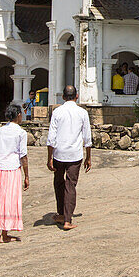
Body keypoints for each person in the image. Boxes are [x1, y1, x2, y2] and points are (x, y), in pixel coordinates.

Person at [46, 85, 92, 230]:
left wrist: (49, 157)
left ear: (63, 97)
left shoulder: (57, 112)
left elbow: (51, 137)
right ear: (76, 96)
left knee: (59, 183)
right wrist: (88, 157)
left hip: (59, 153)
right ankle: (67, 219)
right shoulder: (82, 112)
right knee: (70, 185)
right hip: (74, 154)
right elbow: (87, 137)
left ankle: (61, 213)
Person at [0, 103, 30, 243]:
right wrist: (27, 176)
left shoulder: (0, 131)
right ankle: (5, 234)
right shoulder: (21, 133)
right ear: (18, 115)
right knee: (8, 200)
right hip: (11, 168)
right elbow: (23, 155)